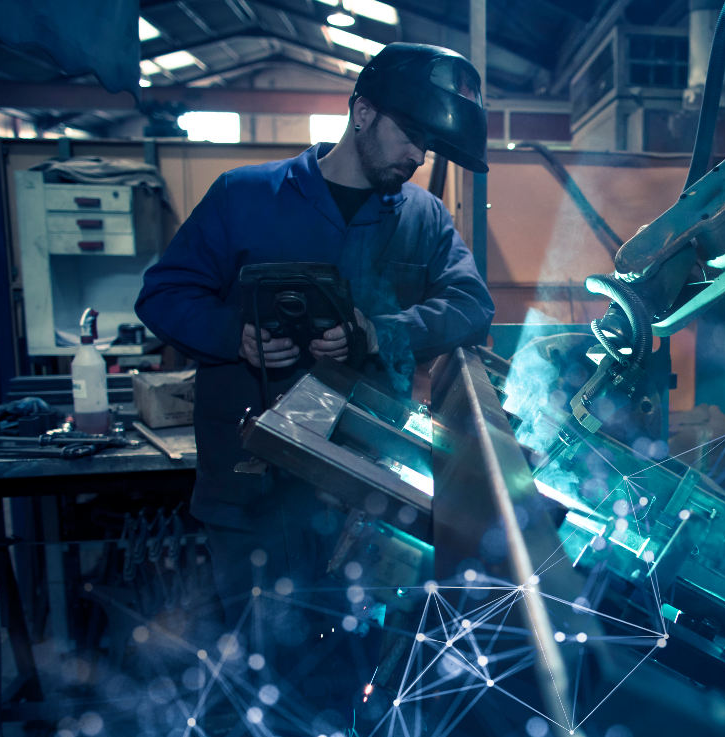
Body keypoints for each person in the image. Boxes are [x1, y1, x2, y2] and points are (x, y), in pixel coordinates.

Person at [134, 44, 493, 682]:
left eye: (428, 146)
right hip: (249, 491)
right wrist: (234, 334)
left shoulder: (423, 218)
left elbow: (471, 305)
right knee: (258, 674)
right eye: (410, 135)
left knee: (352, 673)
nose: (417, 157)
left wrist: (379, 334)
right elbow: (162, 295)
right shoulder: (246, 196)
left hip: (365, 497)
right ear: (361, 111)